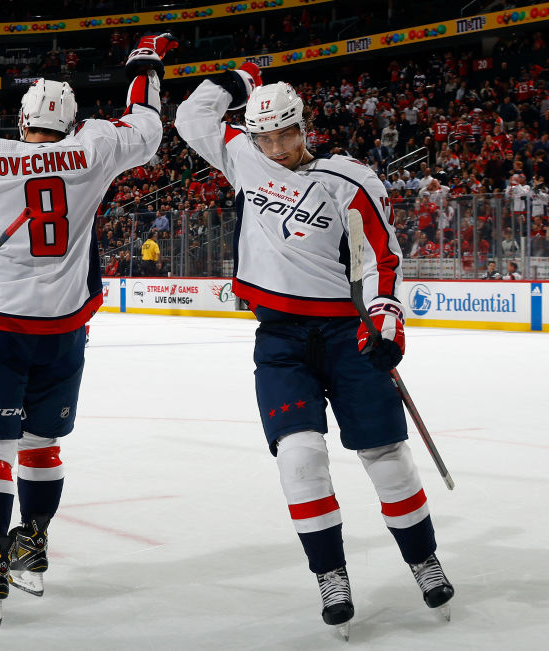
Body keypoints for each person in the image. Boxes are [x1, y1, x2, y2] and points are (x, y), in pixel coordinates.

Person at [0, 33, 175, 626]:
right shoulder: (95, 147)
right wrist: (145, 62)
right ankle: (34, 546)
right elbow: (147, 127)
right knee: (40, 443)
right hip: (64, 331)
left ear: (22, 119)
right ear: (72, 121)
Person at [175, 62, 454, 638]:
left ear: (305, 126)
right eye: (265, 137)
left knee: (388, 458)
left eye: (286, 134)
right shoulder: (243, 159)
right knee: (300, 458)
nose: (276, 148)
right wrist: (236, 79)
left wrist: (385, 322)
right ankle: (331, 576)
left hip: (345, 334)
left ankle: (423, 561)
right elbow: (190, 116)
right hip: (279, 337)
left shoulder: (350, 180)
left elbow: (381, 258)